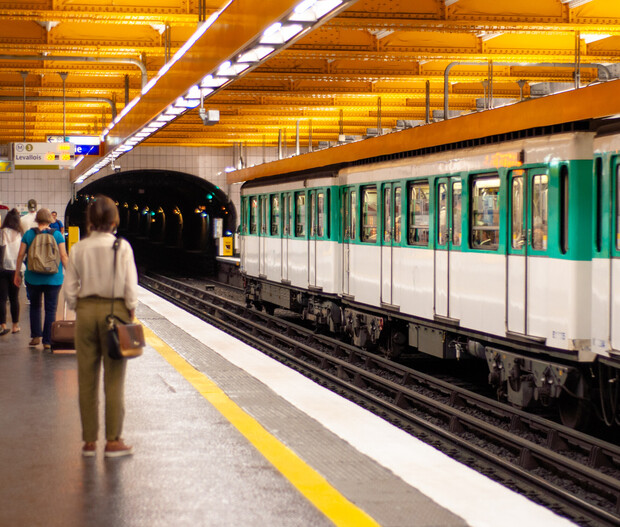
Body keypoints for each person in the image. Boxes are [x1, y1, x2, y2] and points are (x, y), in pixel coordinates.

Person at [63, 195, 138, 458]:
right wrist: (130, 310)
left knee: (86, 378)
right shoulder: (122, 247)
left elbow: (69, 288)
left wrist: (78, 307)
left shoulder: (78, 248)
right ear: (114, 219)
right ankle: (113, 441)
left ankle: (89, 442)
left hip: (85, 312)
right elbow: (131, 288)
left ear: (90, 220)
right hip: (115, 312)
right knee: (114, 379)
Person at [14, 208, 68, 350]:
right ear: (50, 220)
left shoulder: (29, 234)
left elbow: (20, 255)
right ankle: (47, 341)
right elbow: (63, 256)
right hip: (54, 278)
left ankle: (36, 336)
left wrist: (17, 273)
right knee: (51, 309)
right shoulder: (57, 235)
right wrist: (71, 274)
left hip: (33, 278)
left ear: (36, 219)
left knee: (35, 306)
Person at [0, 209, 24, 335]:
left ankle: (3, 325)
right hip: (16, 269)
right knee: (14, 298)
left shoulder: (2, 232)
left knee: (2, 299)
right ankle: (15, 326)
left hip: (2, 269)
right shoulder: (20, 234)